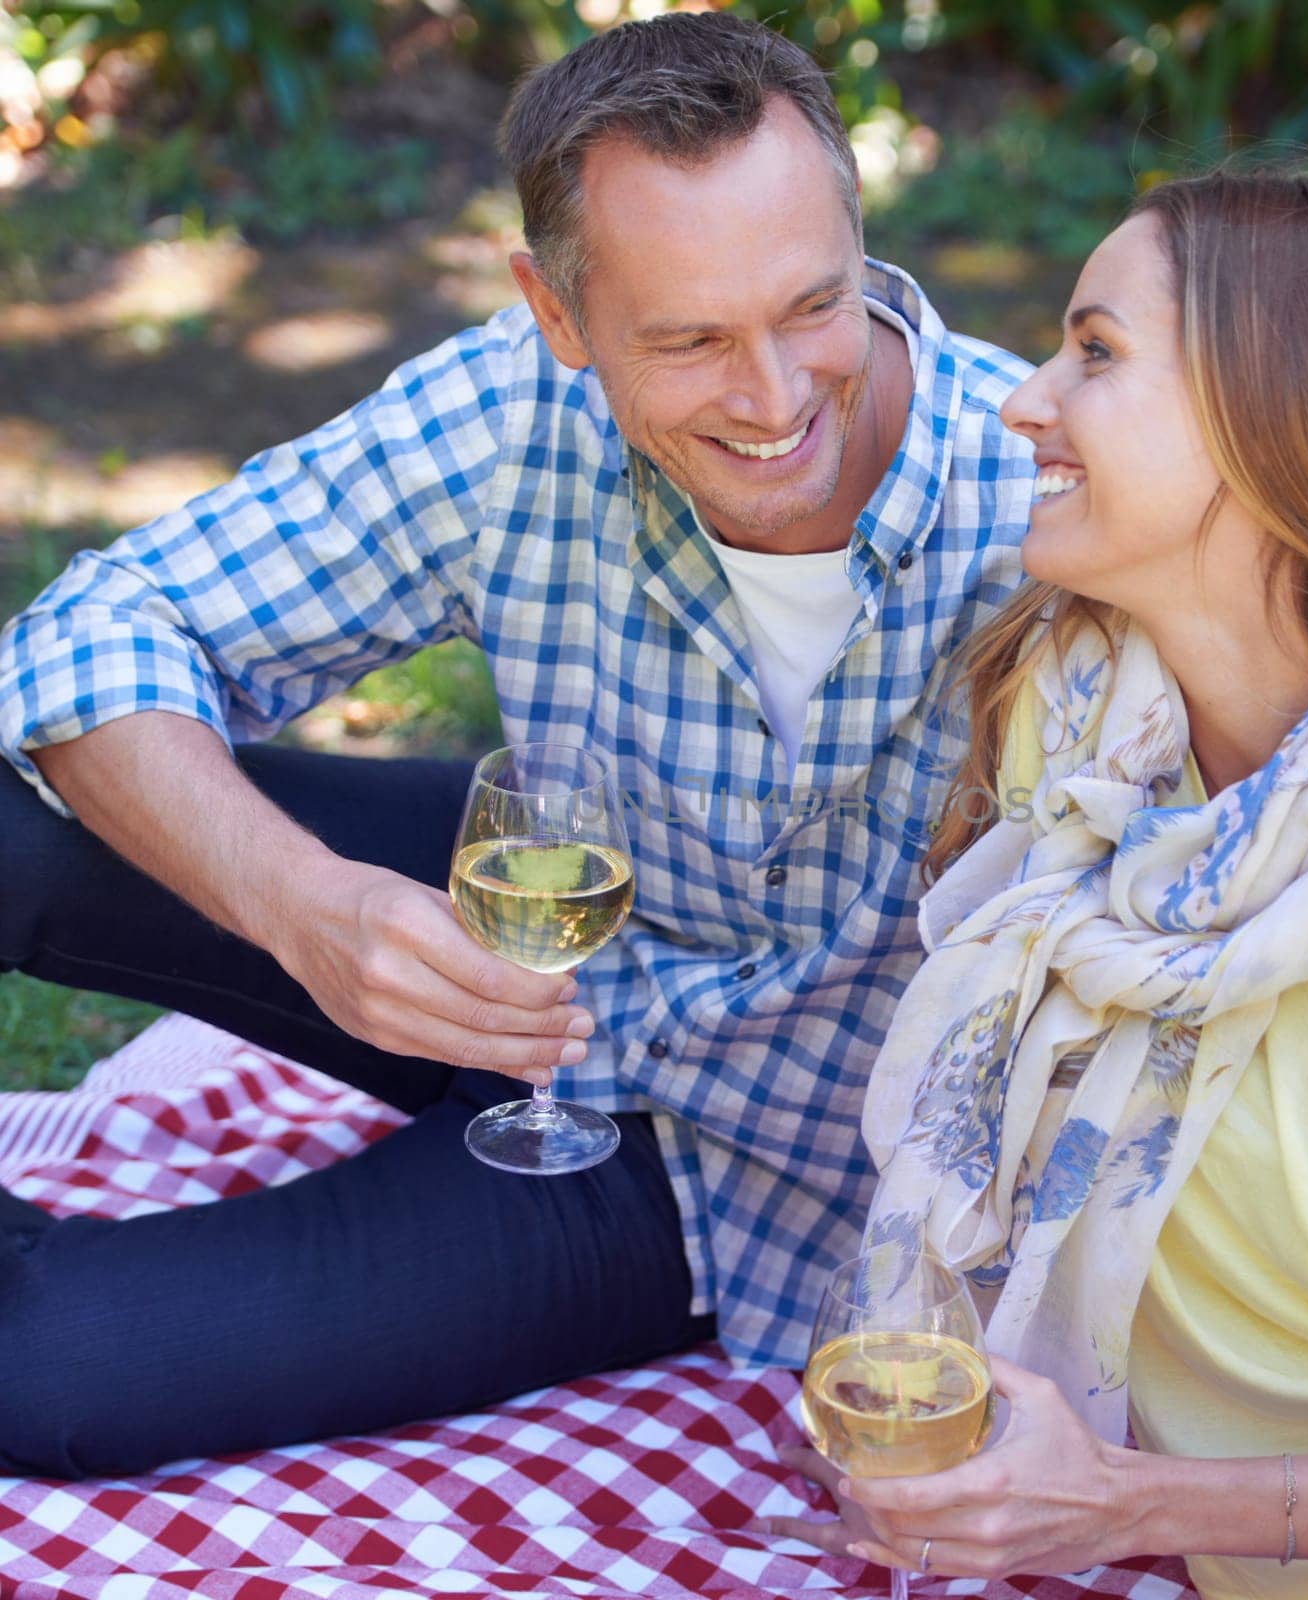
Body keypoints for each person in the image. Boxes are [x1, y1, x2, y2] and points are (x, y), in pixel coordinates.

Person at [0, 13, 1034, 1479]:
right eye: (686, 339)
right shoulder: (512, 405)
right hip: (515, 916)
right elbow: (100, 633)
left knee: (50, 1378)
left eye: (814, 305)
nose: (777, 396)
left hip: (707, 1160)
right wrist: (309, 910)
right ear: (558, 316)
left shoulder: (1050, 504)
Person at [755, 165, 1308, 1600]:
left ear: (1283, 423)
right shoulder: (1085, 727)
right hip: (1148, 1521)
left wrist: (1124, 1504)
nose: (1025, 401)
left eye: (1094, 354)